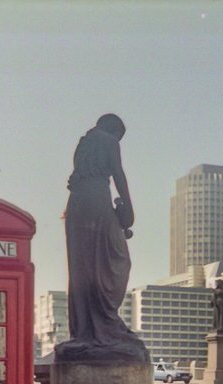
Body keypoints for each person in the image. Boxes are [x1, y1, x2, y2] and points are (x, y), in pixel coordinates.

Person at [58, 114, 147, 361]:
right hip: (97, 197)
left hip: (77, 203)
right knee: (118, 258)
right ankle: (106, 322)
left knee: (82, 268)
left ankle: (85, 330)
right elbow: (118, 174)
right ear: (114, 129)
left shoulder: (83, 143)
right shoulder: (108, 139)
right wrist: (128, 208)